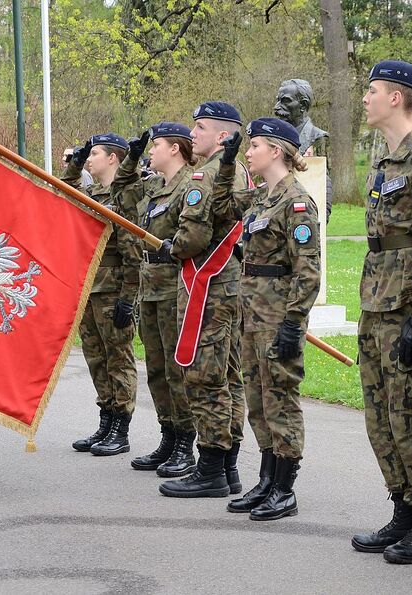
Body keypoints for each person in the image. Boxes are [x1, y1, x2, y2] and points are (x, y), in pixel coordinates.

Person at [350, 61, 412, 565]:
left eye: (372, 91)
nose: (365, 99)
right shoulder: (383, 159)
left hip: (406, 302)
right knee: (378, 412)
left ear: (397, 97)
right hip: (375, 297)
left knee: (408, 412)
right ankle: (402, 507)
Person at [214, 118, 321, 520]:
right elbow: (221, 206)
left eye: (254, 145)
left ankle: (285, 488)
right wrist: (225, 164)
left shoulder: (296, 202)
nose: (248, 152)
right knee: (258, 400)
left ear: (276, 151)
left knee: (281, 399)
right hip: (252, 314)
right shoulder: (261, 199)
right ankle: (266, 480)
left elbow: (308, 269)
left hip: (278, 317)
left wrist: (294, 322)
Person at [157, 102, 251, 498]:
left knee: (203, 372)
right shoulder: (241, 172)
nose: (192, 134)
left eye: (200, 127)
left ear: (223, 136)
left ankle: (211, 467)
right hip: (231, 281)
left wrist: (170, 247)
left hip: (206, 282)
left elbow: (193, 238)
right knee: (228, 373)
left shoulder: (203, 176)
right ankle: (227, 465)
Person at [112, 123, 200, 478]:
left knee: (177, 369)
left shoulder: (190, 186)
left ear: (175, 149)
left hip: (175, 286)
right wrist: (131, 157)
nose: (151, 151)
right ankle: (168, 435)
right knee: (157, 369)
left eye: (156, 145)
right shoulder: (154, 185)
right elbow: (121, 189)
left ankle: (185, 442)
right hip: (150, 285)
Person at [63, 133, 139, 457]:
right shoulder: (91, 193)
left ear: (113, 158)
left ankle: (120, 428)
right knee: (96, 357)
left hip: (113, 286)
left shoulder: (123, 196)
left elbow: (133, 250)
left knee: (118, 358)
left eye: (94, 154)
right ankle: (105, 420)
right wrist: (74, 164)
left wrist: (128, 296)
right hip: (89, 287)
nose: (89, 159)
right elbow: (63, 194)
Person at [273, 79, 332, 222]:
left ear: (303, 105)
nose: (277, 107)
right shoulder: (274, 140)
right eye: (278, 100)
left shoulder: (318, 138)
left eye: (285, 101)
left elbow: (322, 183)